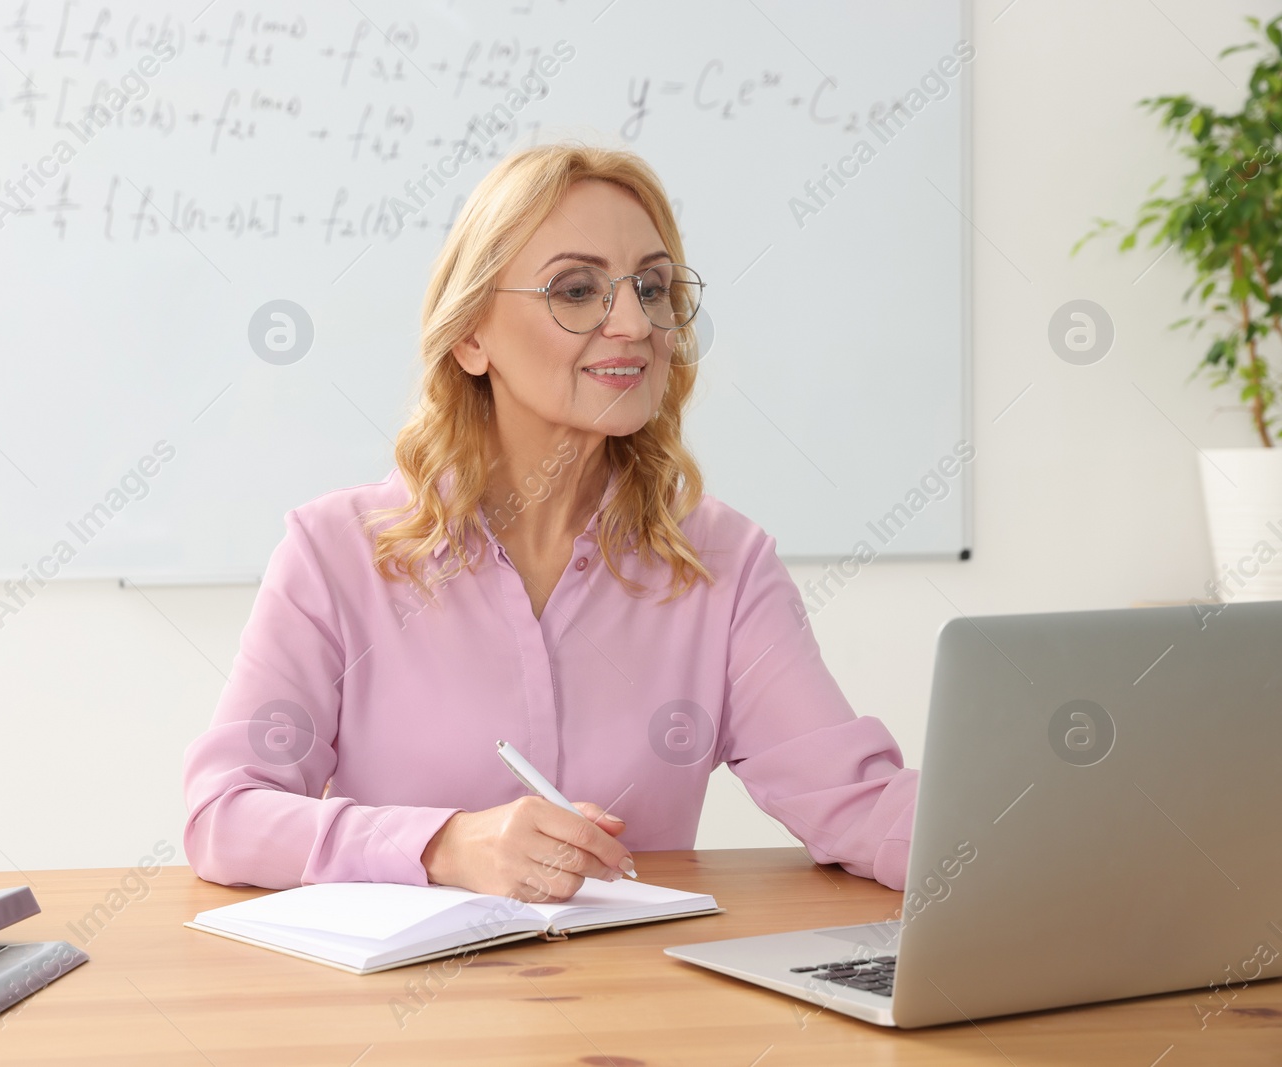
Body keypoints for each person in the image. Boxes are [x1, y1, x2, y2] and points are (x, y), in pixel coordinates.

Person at [182, 141, 918, 902]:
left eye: (654, 287)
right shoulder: (336, 555)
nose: (634, 323)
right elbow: (225, 815)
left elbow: (857, 806)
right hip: (409, 1009)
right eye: (576, 290)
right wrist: (443, 843)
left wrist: (1017, 834)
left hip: (643, 1008)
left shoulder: (722, 563)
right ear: (470, 336)